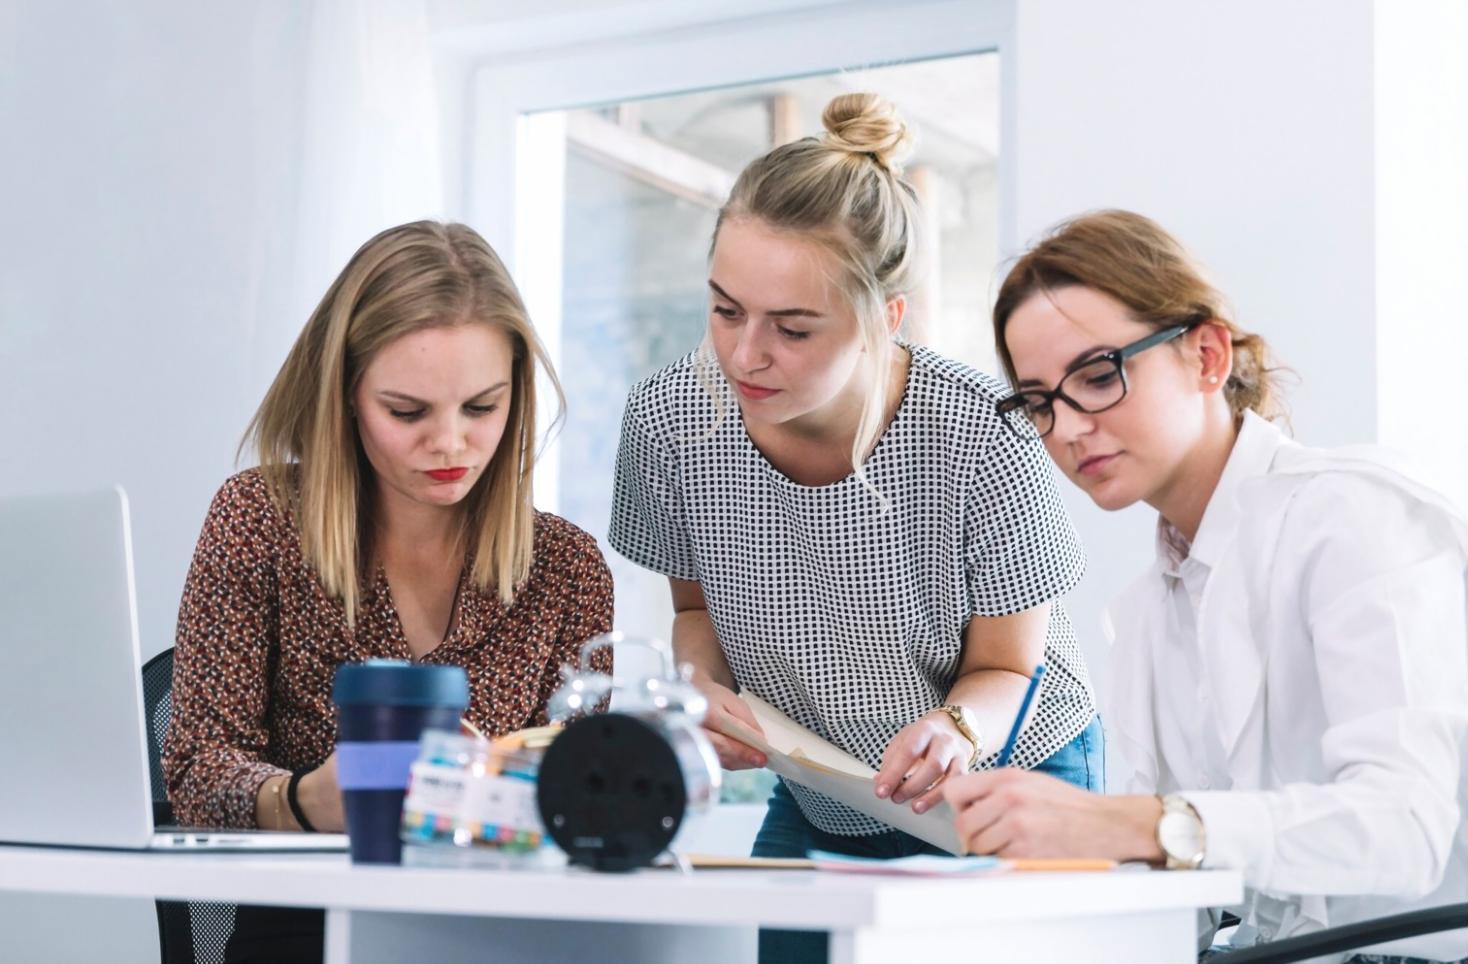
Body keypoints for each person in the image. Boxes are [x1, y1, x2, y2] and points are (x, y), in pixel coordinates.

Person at [608, 93, 1103, 963]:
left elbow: (1006, 665)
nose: (745, 355)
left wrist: (953, 732)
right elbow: (696, 615)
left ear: (887, 318)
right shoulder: (669, 422)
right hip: (825, 782)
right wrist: (700, 691)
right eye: (724, 310)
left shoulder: (980, 436)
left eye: (793, 328)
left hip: (1006, 769)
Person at [945, 209, 1468, 962]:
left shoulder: (1352, 517)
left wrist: (1134, 823)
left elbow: (1404, 828)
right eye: (1038, 402)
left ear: (1207, 355)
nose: (1066, 428)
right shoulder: (1152, 608)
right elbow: (1182, 902)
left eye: (1096, 375)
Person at [163, 220, 613, 963]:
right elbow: (197, 769)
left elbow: (585, 803)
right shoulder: (259, 520)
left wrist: (499, 791)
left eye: (482, 407)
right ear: (342, 395)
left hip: (496, 933)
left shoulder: (566, 569)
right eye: (407, 412)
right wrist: (309, 800)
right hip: (304, 928)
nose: (449, 443)